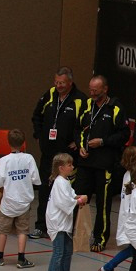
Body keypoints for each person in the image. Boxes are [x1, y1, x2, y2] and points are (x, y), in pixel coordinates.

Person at [74, 74, 130, 252]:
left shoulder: (115, 108)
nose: (91, 93)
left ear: (105, 89)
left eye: (95, 90)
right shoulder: (88, 105)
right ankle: (74, 234)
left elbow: (124, 135)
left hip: (104, 164)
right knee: (78, 199)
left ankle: (100, 237)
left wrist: (103, 142)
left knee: (102, 204)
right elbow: (79, 128)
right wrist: (81, 145)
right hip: (85, 162)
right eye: (90, 89)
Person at [30, 67, 86, 239]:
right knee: (45, 190)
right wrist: (39, 135)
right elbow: (36, 116)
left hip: (67, 156)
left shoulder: (80, 100)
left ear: (70, 82)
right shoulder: (49, 94)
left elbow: (86, 124)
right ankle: (41, 225)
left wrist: (77, 142)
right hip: (48, 154)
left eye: (62, 83)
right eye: (56, 82)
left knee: (66, 193)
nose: (58, 86)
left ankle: (66, 229)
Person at [0, 129, 40, 267]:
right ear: (24, 143)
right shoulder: (29, 158)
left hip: (8, 202)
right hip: (24, 202)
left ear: (8, 143)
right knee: (22, 231)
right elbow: (36, 179)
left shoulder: (4, 160)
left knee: (2, 230)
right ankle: (21, 259)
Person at [44, 153, 87, 271]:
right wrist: (78, 201)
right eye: (69, 165)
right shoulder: (59, 182)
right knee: (59, 252)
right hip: (57, 223)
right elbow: (65, 202)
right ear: (61, 168)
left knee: (67, 250)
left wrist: (78, 197)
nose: (72, 167)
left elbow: (71, 195)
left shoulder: (65, 181)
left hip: (64, 223)